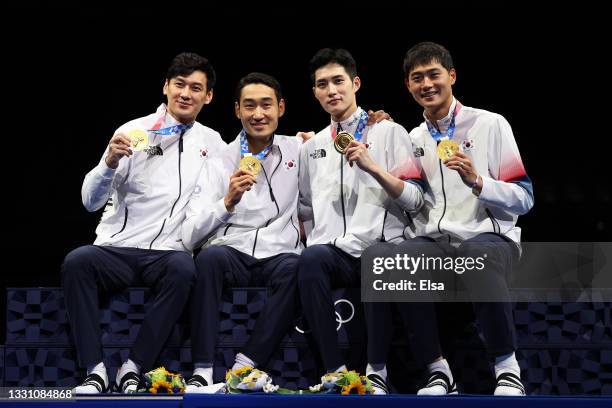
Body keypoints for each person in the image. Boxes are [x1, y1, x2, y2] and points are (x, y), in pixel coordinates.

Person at [61, 52, 226, 394]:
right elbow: (89, 201)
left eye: (196, 88)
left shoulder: (213, 143)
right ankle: (94, 370)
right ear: (166, 87)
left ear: (208, 96)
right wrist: (108, 163)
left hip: (167, 254)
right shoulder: (133, 131)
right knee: (77, 261)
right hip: (117, 250)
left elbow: (251, 156)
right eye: (179, 84)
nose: (186, 93)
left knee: (185, 269)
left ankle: (133, 367)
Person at [376, 41, 533, 396]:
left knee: (475, 253)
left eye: (434, 75)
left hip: (490, 239)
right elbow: (413, 200)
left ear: (452, 76)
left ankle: (507, 369)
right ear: (408, 86)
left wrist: (478, 182)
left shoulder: (491, 124)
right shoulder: (413, 138)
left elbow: (524, 198)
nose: (427, 84)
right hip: (436, 243)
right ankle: (437, 370)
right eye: (417, 78)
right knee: (396, 259)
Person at [297, 48, 424, 395]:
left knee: (376, 257)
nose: (331, 90)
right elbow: (306, 207)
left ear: (355, 83)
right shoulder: (312, 147)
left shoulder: (390, 132)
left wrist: (373, 168)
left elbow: (415, 199)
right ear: (315, 93)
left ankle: (377, 372)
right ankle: (335, 371)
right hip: (336, 254)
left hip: (380, 249)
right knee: (310, 259)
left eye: (338, 81)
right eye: (322, 84)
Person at [181, 72, 303, 391]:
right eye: (249, 106)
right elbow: (189, 236)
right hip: (232, 251)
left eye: (266, 105)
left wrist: (374, 119)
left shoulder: (299, 150)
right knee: (208, 259)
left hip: (279, 253)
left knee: (298, 266)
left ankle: (246, 363)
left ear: (281, 108)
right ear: (237, 110)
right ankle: (203, 369)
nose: (258, 114)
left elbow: (341, 137)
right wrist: (228, 201)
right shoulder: (219, 160)